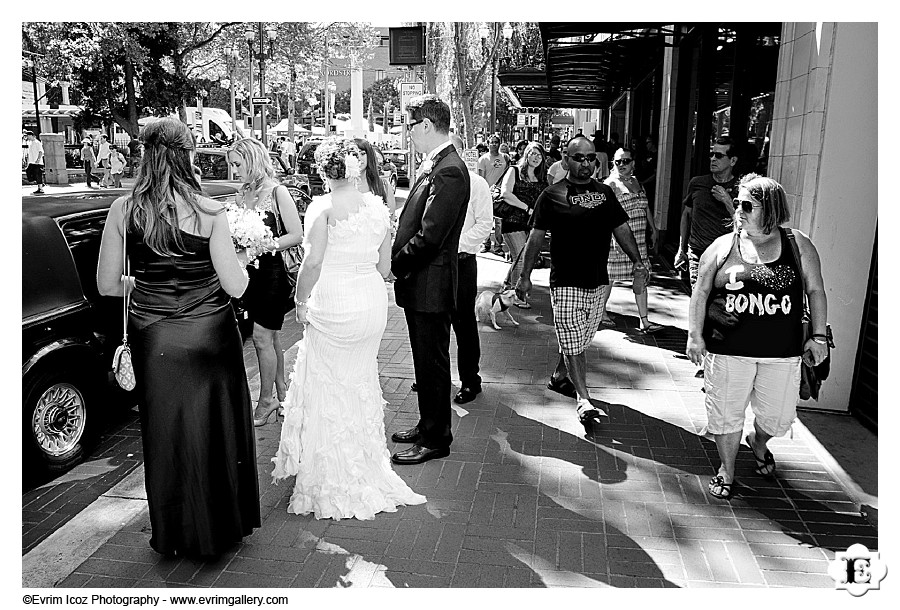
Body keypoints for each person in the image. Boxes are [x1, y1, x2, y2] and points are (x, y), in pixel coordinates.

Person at [96, 117, 259, 556]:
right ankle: (222, 527)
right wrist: (243, 257)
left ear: (146, 156)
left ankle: (174, 533)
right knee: (216, 426)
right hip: (210, 335)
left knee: (166, 433)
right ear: (186, 155)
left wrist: (144, 285)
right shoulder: (209, 211)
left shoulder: (123, 210)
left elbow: (108, 285)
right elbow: (235, 286)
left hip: (155, 337)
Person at [271, 138, 426, 520]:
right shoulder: (376, 206)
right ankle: (364, 464)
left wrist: (300, 301)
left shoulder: (321, 207)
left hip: (334, 300)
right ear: (355, 168)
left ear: (323, 170)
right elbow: (384, 267)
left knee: (327, 382)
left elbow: (313, 262)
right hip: (370, 303)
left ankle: (331, 474)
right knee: (358, 381)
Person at [686, 175, 828, 500]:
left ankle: (759, 441)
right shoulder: (724, 246)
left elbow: (816, 290)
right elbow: (701, 291)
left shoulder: (798, 244)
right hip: (727, 349)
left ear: (771, 209)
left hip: (782, 351)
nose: (739, 210)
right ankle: (727, 468)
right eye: (737, 203)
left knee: (778, 418)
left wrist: (818, 336)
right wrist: (695, 336)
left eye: (747, 205)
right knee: (725, 414)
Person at [515, 136, 649, 425]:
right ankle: (584, 399)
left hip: (599, 281)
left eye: (591, 158)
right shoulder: (551, 195)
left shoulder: (605, 193)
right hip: (564, 282)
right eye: (579, 158)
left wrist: (638, 261)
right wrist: (524, 277)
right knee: (574, 341)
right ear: (566, 160)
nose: (586, 163)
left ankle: (559, 376)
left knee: (580, 339)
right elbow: (535, 239)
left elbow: (621, 229)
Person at [390, 94, 470, 465]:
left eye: (410, 126)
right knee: (424, 363)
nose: (407, 133)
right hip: (422, 283)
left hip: (429, 283)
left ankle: (436, 438)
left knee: (433, 364)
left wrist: (397, 264)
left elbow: (431, 235)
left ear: (425, 124)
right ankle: (427, 425)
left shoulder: (449, 169)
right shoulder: (438, 164)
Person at [227, 138, 304, 426]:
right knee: (270, 338)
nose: (235, 171)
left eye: (237, 164)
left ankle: (266, 400)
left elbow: (297, 234)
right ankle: (284, 395)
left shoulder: (277, 192)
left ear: (253, 159)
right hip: (251, 276)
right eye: (232, 165)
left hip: (274, 273)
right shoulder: (240, 194)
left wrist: (263, 245)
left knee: (260, 337)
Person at [448, 133, 494, 404]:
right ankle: (435, 376)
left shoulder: (476, 185)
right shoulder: (430, 179)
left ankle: (469, 381)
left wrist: (453, 245)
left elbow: (484, 226)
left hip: (462, 263)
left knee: (464, 325)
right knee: (435, 323)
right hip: (435, 265)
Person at [600, 148, 662, 333]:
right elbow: (605, 216)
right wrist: (613, 239)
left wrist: (653, 229)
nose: (621, 165)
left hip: (639, 239)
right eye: (618, 162)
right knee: (609, 278)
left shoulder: (636, 182)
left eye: (625, 161)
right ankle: (600, 312)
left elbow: (646, 207)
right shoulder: (610, 184)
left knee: (640, 275)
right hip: (619, 240)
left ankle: (645, 320)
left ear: (633, 163)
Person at [675, 136, 740, 289]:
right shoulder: (697, 183)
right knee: (698, 300)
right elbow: (686, 215)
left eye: (718, 155)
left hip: (727, 257)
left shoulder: (741, 188)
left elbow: (745, 224)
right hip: (698, 254)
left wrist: (727, 201)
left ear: (732, 161)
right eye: (711, 154)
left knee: (720, 306)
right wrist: (681, 249)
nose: (712, 159)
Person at [499, 142, 548, 308]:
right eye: (533, 153)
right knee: (520, 256)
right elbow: (505, 193)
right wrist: (527, 209)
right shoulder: (514, 170)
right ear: (526, 154)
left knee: (522, 258)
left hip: (532, 225)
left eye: (539, 155)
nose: (536, 157)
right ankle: (517, 295)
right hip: (513, 221)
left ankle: (507, 286)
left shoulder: (542, 177)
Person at [477, 134, 510, 256]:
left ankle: (498, 246)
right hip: (487, 194)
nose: (494, 144)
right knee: (486, 220)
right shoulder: (483, 159)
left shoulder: (505, 158)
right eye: (491, 142)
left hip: (500, 195)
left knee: (499, 222)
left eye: (496, 142)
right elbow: (481, 178)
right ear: (488, 143)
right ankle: (485, 244)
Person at [353, 137, 397, 223]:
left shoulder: (383, 185)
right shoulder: (343, 185)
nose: (359, 158)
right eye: (355, 155)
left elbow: (391, 219)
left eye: (362, 154)